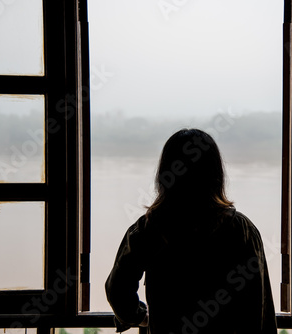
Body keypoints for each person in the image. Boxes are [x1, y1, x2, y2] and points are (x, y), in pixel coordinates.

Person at [105, 128, 277, 333]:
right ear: (215, 174)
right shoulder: (242, 230)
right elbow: (259, 303)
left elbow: (117, 289)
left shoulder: (150, 228)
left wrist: (140, 317)